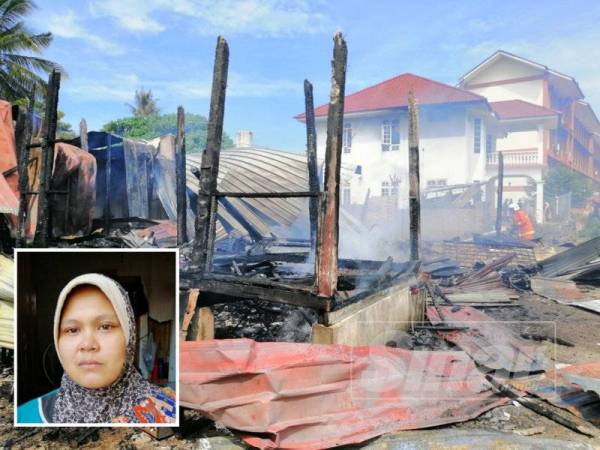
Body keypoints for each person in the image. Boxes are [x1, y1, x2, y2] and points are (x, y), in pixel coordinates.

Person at [17, 273, 176, 424]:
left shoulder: (167, 412)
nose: (88, 344)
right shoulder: (25, 418)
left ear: (130, 335)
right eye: (72, 330)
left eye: (105, 326)